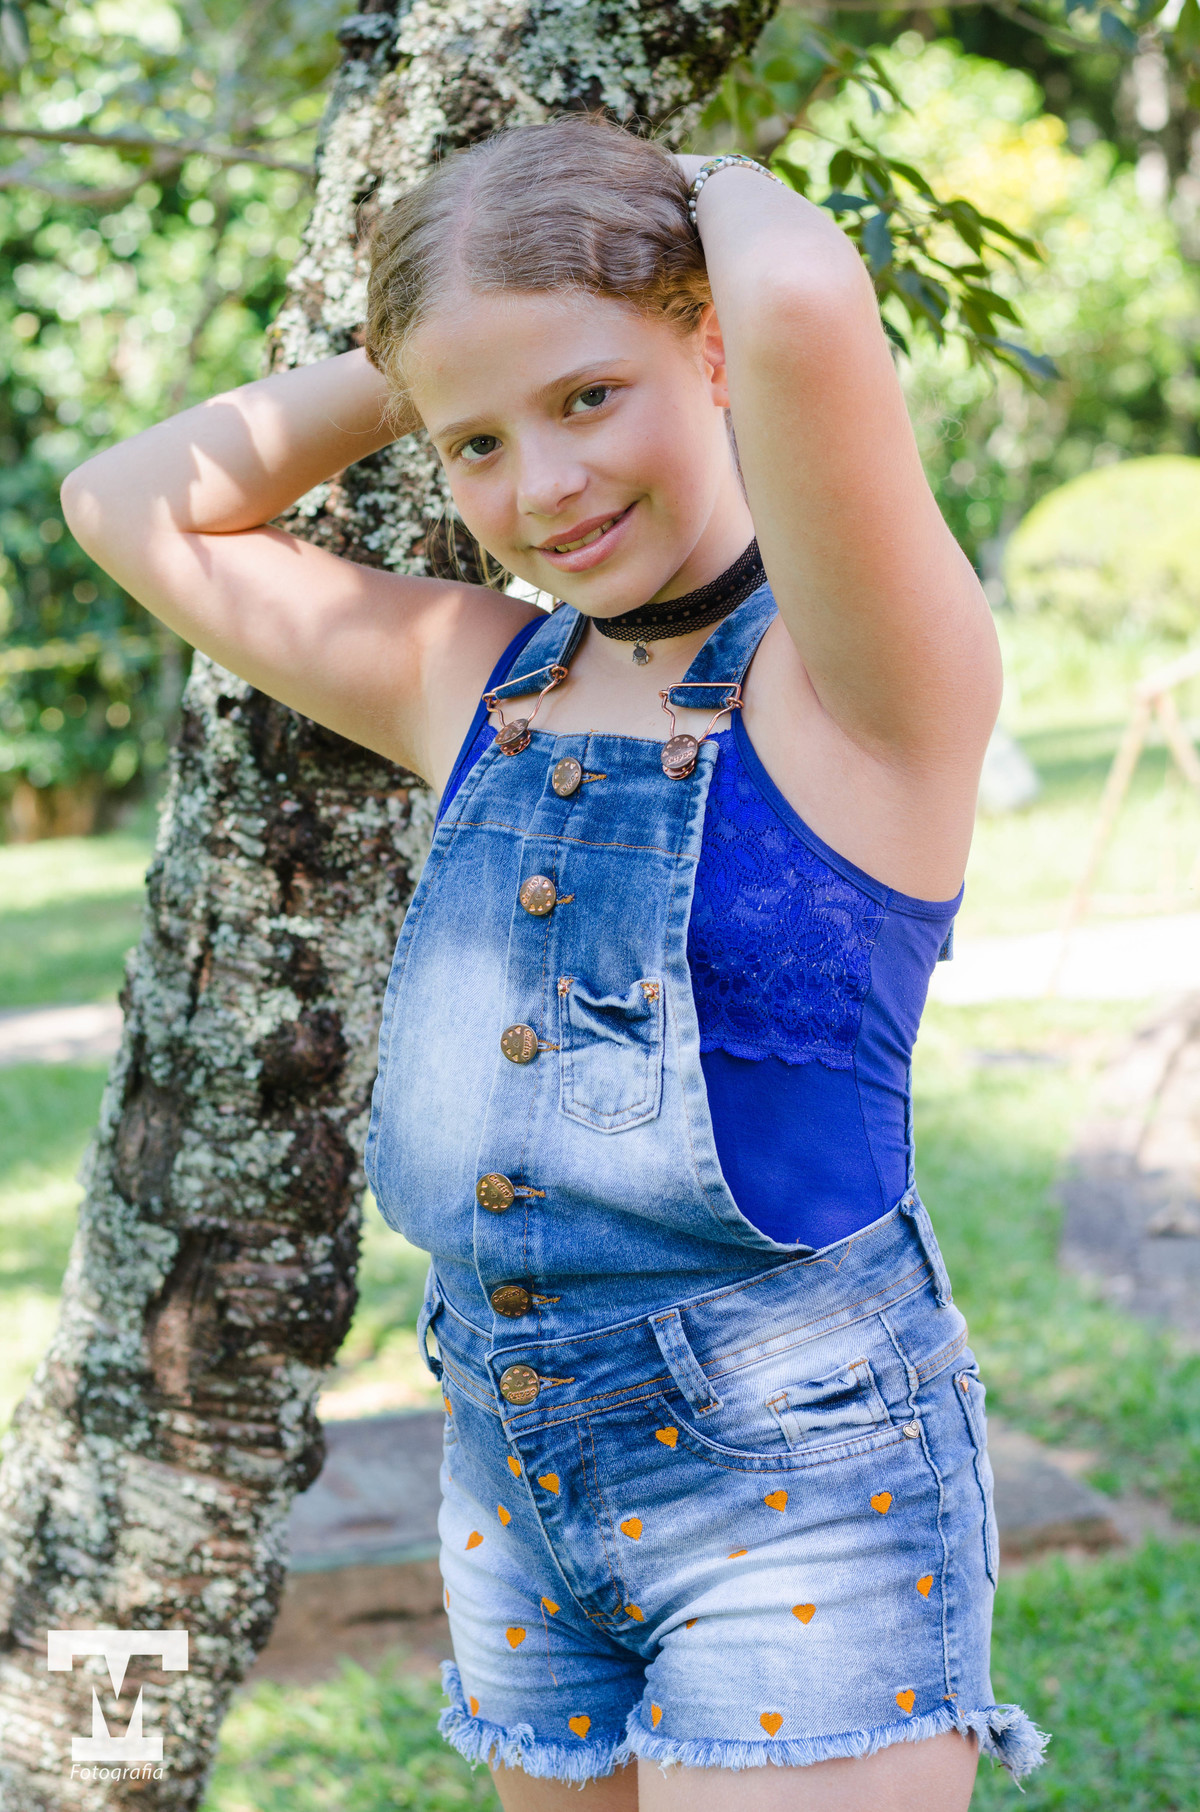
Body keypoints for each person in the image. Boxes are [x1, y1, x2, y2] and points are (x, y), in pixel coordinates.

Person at [63, 114, 1046, 1812]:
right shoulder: (479, 679)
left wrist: (674, 208)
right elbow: (130, 503)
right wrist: (432, 346)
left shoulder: (860, 683)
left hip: (799, 1481)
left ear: (710, 340)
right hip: (516, 1479)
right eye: (478, 445)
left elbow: (805, 292)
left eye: (590, 397)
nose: (545, 490)